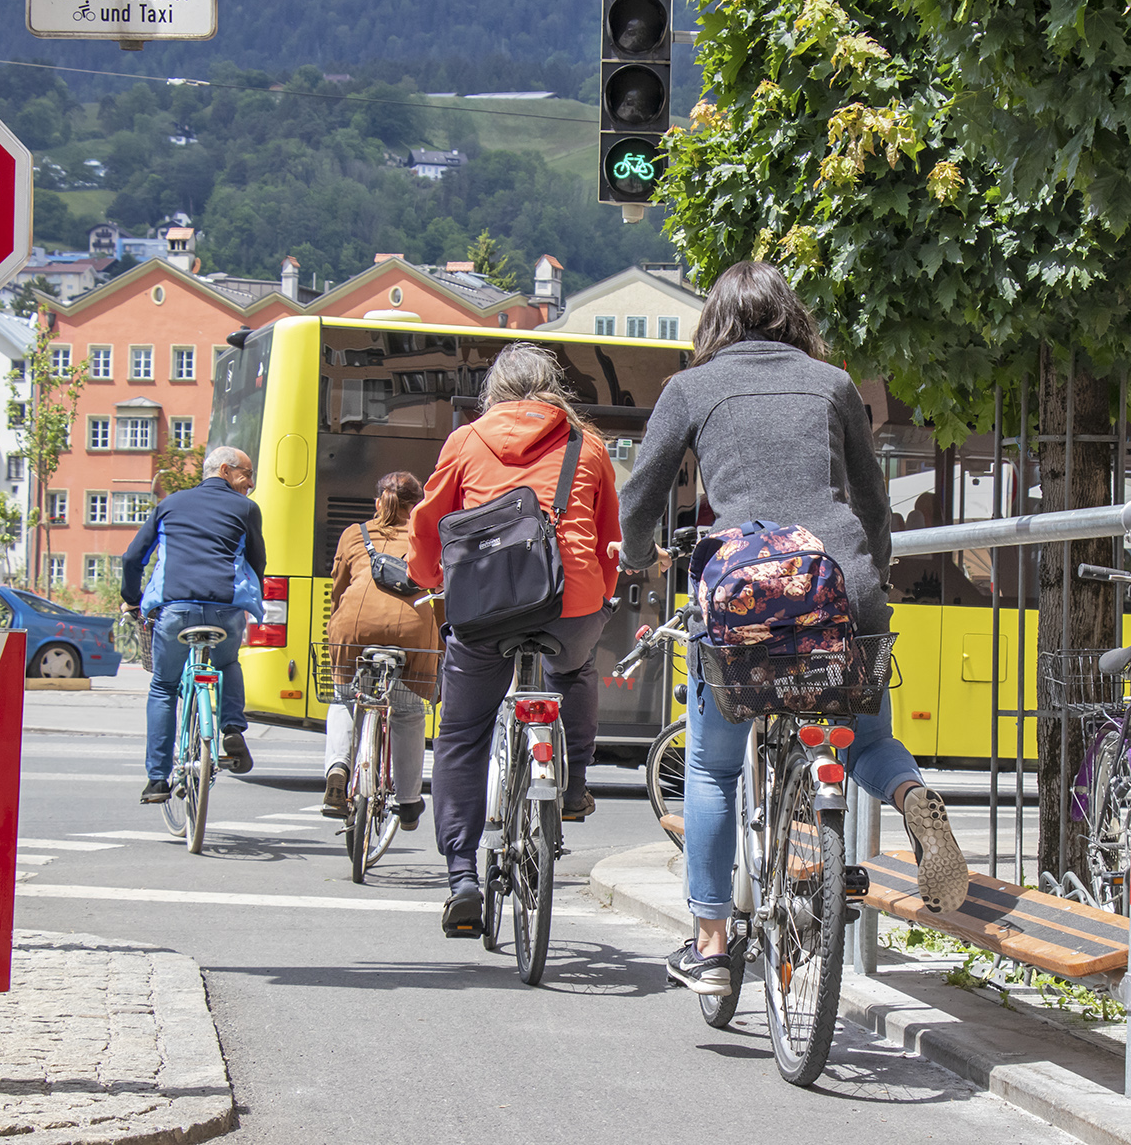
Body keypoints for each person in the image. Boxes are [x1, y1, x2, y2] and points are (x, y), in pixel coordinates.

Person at [615, 259, 969, 996]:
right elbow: (872, 500)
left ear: (715, 322)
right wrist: (872, 570)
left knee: (714, 766)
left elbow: (640, 491)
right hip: (839, 584)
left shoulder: (690, 388)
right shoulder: (832, 382)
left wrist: (640, 552)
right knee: (866, 739)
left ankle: (711, 946)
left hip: (745, 595)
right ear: (789, 316)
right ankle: (912, 799)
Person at [406, 343, 621, 936]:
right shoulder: (588, 443)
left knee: (463, 733)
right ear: (554, 387)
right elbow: (608, 539)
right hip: (569, 602)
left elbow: (431, 524)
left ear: (494, 391)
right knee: (574, 670)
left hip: (485, 610)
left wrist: (426, 579)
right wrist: (596, 597)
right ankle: (573, 784)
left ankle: (461, 876)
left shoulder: (467, 441)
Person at [123, 446, 264, 803]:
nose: (250, 484)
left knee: (163, 686)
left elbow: (132, 557)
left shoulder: (169, 505)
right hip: (224, 611)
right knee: (228, 662)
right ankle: (232, 728)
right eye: (246, 474)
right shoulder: (246, 509)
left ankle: (157, 780)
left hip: (176, 610)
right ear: (225, 471)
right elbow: (257, 562)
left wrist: (132, 598)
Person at [321, 471, 439, 830]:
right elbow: (440, 593)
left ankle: (338, 767)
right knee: (406, 713)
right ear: (416, 505)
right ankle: (407, 801)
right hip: (411, 629)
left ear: (378, 502)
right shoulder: (427, 537)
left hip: (354, 626)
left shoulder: (353, 534)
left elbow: (338, 590)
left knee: (344, 699)